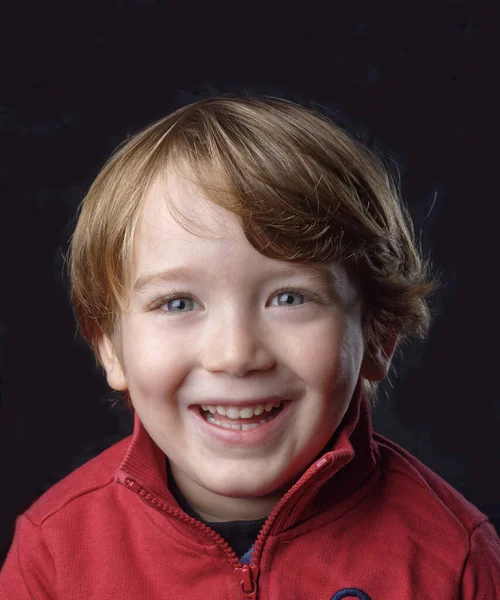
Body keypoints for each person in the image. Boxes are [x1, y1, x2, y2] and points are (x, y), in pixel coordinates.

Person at [1, 96, 499, 599]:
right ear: (110, 348)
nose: (236, 355)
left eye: (289, 298)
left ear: (378, 334)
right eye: (177, 303)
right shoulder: (53, 555)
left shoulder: (453, 558)